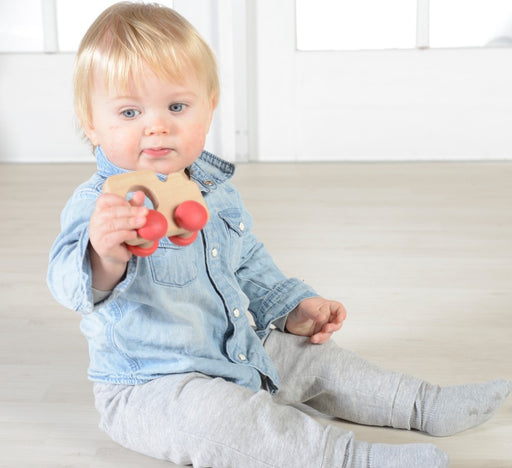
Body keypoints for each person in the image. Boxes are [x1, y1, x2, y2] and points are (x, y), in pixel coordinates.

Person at [47, 3, 511, 467]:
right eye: (129, 111)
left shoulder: (213, 191)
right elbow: (68, 284)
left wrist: (290, 308)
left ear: (209, 106)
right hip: (153, 386)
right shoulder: (100, 207)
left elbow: (246, 262)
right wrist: (104, 255)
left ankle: (420, 403)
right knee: (229, 422)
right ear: (91, 122)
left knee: (316, 360)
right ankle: (352, 459)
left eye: (176, 106)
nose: (157, 125)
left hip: (237, 346)